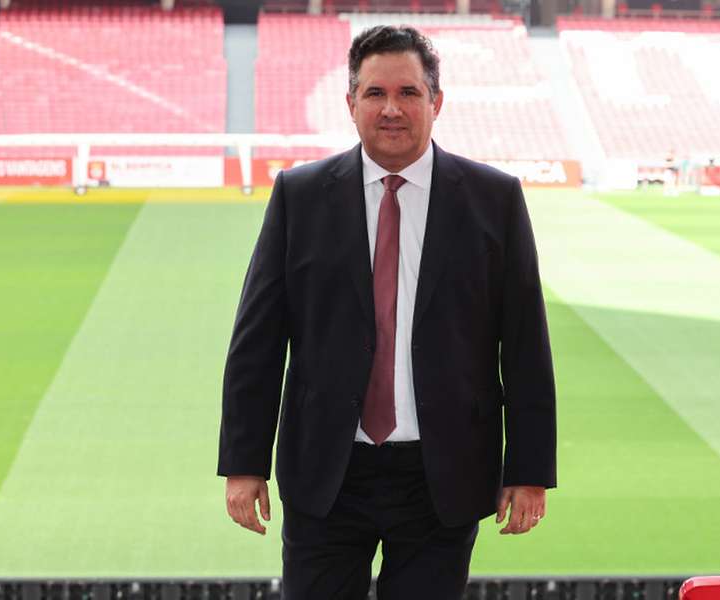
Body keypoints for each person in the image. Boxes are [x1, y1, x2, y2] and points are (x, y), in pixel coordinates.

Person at [217, 25, 556, 600]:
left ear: (436, 102)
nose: (392, 109)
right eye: (375, 94)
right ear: (351, 104)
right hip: (327, 470)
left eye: (409, 93)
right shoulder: (299, 196)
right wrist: (244, 462)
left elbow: (524, 343)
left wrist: (527, 470)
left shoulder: (494, 198)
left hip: (442, 474)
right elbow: (258, 339)